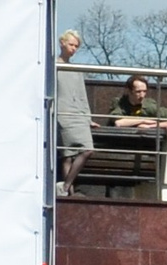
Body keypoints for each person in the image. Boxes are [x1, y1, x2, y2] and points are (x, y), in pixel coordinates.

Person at [55, 30, 94, 197]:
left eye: (76, 46)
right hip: (62, 113)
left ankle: (64, 187)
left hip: (77, 114)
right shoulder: (53, 65)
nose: (74, 49)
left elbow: (82, 94)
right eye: (71, 44)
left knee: (87, 149)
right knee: (67, 154)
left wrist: (88, 117)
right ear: (62, 43)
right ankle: (68, 192)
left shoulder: (76, 69)